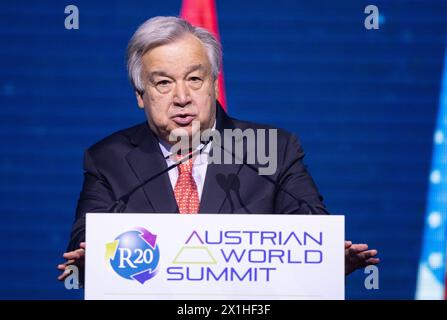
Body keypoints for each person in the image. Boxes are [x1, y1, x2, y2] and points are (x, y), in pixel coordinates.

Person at [57, 16, 379, 282]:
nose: (182, 97)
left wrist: (327, 261)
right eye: (164, 83)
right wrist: (90, 261)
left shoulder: (270, 150)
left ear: (214, 84)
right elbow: (84, 246)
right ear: (141, 94)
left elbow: (312, 234)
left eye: (195, 79)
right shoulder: (109, 159)